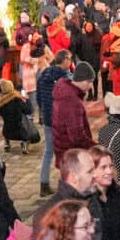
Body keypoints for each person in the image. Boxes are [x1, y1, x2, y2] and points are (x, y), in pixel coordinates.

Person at [35, 50, 74, 197]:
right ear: (64, 60)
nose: (70, 61)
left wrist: (42, 112)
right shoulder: (66, 77)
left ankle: (44, 183)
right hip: (61, 118)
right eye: (69, 59)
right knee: (66, 151)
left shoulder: (44, 74)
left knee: (49, 151)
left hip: (47, 117)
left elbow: (38, 97)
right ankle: (68, 184)